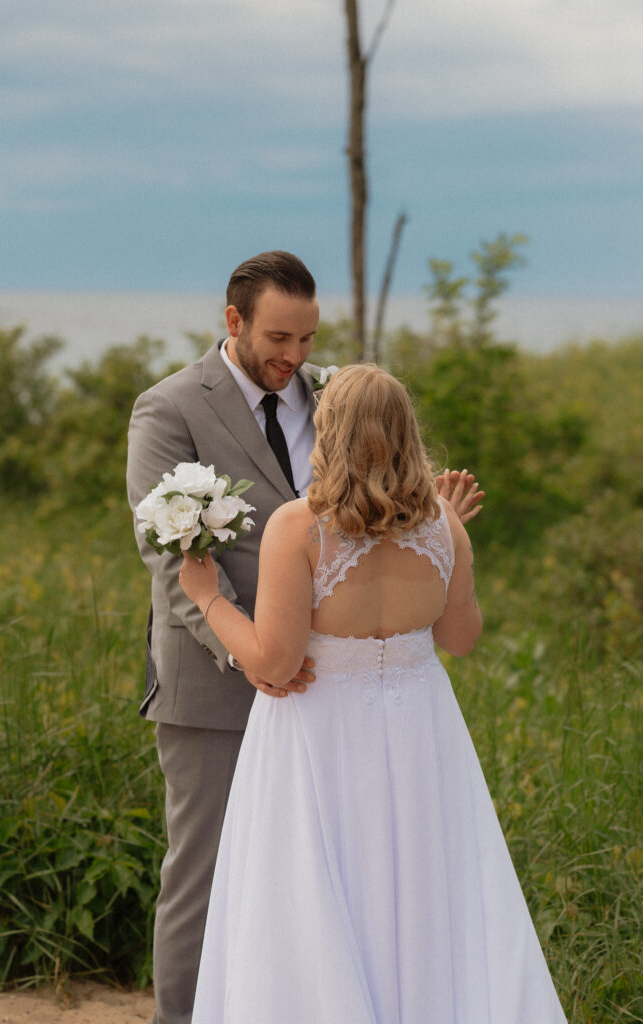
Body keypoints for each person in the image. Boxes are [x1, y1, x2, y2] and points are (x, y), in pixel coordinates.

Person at [126, 251, 483, 1024]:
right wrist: (250, 654)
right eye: (279, 338)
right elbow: (165, 548)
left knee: (336, 873)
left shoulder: (335, 397)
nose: (295, 357)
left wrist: (428, 521)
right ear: (235, 322)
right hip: (219, 676)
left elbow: (366, 510)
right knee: (211, 870)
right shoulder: (170, 408)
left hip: (335, 694)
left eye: (308, 339)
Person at [178, 364, 568, 1024]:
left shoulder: (298, 526)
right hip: (421, 728)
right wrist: (454, 541)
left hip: (318, 734)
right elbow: (462, 636)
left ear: (328, 431)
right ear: (405, 432)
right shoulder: (444, 525)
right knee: (427, 887)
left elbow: (275, 661)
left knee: (316, 890)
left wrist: (208, 596)